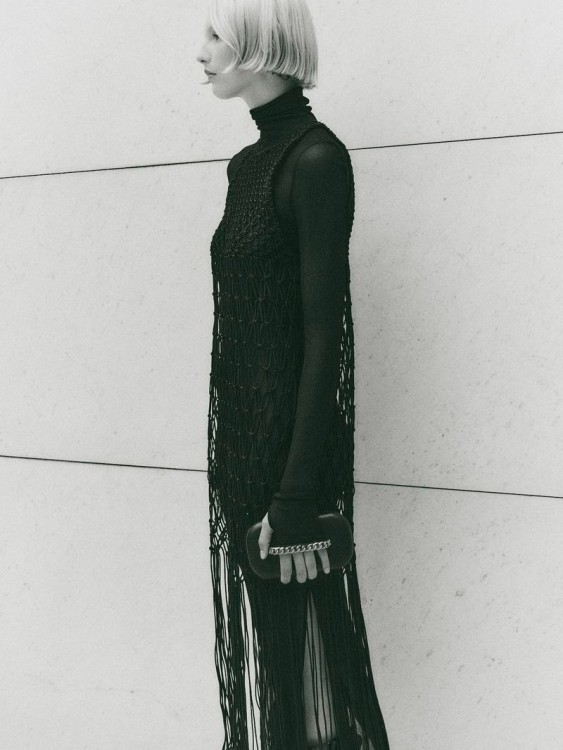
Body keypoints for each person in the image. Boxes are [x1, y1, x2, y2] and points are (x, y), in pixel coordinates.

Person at [196, 1, 390, 747]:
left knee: (313, 690)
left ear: (259, 43)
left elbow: (323, 335)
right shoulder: (247, 164)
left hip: (290, 465)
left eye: (215, 34)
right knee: (282, 673)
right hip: (244, 449)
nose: (202, 51)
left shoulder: (315, 160)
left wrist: (298, 495)